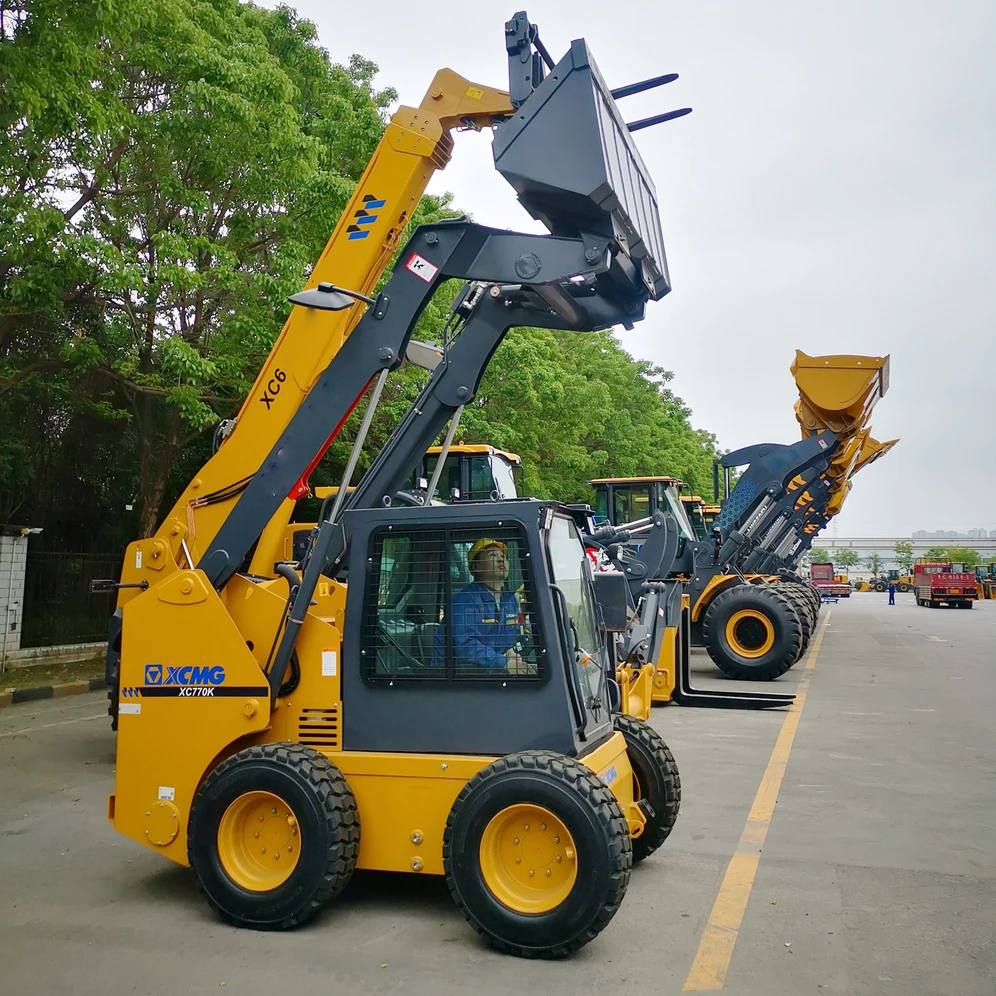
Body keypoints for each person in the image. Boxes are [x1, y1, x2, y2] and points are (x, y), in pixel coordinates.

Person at [436, 538, 530, 674]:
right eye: (493, 555)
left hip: (489, 674)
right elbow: (466, 646)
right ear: (476, 566)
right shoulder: (464, 601)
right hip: (454, 677)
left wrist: (510, 654)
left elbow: (506, 640)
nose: (500, 560)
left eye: (503, 556)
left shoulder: (510, 600)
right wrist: (504, 663)